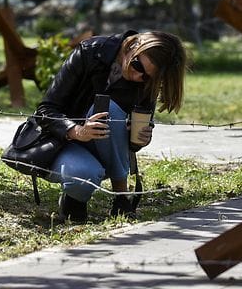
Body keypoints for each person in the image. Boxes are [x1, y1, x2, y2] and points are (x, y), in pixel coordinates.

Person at [35, 30, 187, 223]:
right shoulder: (90, 51)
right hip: (61, 142)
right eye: (137, 65)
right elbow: (44, 110)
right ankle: (80, 201)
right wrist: (77, 131)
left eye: (147, 77)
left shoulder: (146, 83)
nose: (137, 75)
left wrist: (139, 139)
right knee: (86, 172)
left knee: (111, 114)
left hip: (105, 149)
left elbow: (132, 142)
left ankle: (120, 198)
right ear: (132, 46)